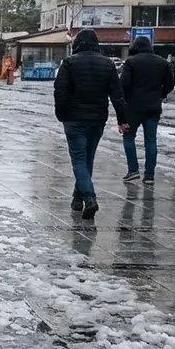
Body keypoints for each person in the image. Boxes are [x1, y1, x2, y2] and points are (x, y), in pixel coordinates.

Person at [53, 28, 128, 219]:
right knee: (87, 160)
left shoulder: (69, 63)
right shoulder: (107, 64)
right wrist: (123, 119)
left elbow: (60, 91)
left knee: (79, 160)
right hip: (97, 119)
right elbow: (117, 95)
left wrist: (61, 114)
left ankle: (89, 198)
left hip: (74, 118)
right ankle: (77, 200)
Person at [120, 35, 175, 185]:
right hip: (153, 107)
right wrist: (160, 95)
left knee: (128, 137)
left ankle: (133, 170)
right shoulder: (162, 62)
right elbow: (170, 83)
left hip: (133, 107)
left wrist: (126, 100)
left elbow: (123, 84)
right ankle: (149, 175)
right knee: (151, 140)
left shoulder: (131, 62)